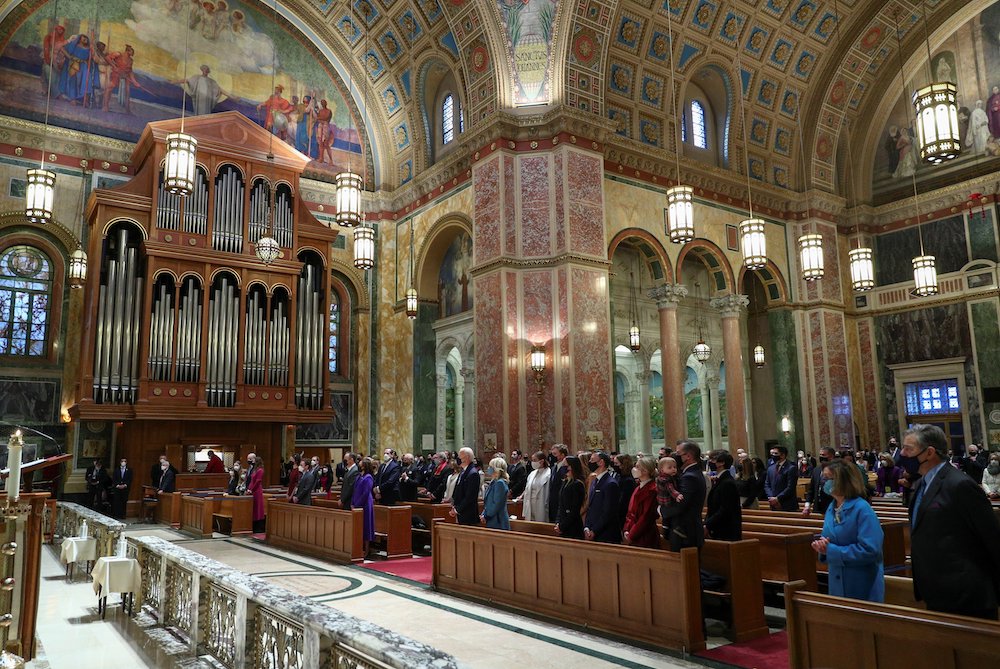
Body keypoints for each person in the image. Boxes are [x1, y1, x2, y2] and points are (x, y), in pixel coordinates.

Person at [904, 424, 1000, 620]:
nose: (903, 455)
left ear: (929, 452)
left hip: (966, 594)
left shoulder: (960, 484)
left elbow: (991, 538)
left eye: (909, 449)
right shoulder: (921, 484)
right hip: (937, 588)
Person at [811, 460, 885, 602]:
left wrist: (831, 551)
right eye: (823, 478)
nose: (823, 482)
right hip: (837, 582)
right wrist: (822, 547)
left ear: (841, 481)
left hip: (861, 583)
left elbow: (870, 550)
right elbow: (830, 538)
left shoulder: (862, 509)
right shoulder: (832, 508)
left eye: (827, 479)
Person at [662, 441, 708, 551]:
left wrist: (661, 510)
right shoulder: (690, 473)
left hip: (685, 531)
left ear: (688, 456)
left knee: (687, 566)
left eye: (678, 453)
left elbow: (681, 505)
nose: (675, 457)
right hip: (686, 530)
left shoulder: (690, 476)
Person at [622, 456, 659, 548]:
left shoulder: (652, 490)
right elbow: (630, 512)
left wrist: (632, 534)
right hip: (633, 532)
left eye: (637, 467)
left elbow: (646, 517)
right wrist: (626, 529)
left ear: (645, 471)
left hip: (645, 536)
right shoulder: (638, 488)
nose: (634, 469)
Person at [583, 452, 621, 543]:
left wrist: (594, 530)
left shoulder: (610, 483)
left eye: (592, 460)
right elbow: (590, 507)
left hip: (605, 534)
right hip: (592, 531)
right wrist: (587, 527)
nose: (589, 463)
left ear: (601, 462)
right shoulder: (594, 481)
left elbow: (608, 512)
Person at [705, 449, 741, 541]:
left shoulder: (727, 482)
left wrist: (707, 524)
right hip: (718, 528)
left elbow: (725, 508)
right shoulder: (720, 479)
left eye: (712, 460)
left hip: (726, 530)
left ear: (721, 463)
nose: (710, 462)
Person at [554, 456, 586, 540]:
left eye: (565, 465)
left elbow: (575, 510)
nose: (563, 467)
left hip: (573, 526)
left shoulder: (577, 484)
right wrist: (558, 522)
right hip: (563, 523)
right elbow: (561, 505)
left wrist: (562, 526)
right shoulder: (565, 482)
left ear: (572, 466)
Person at [449, 447, 480, 526]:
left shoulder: (473, 473)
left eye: (460, 456)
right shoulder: (463, 471)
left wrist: (457, 510)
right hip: (461, 513)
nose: (458, 459)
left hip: (468, 515)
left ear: (466, 457)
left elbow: (470, 496)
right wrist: (454, 503)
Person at [352, 457, 376, 557]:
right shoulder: (358, 476)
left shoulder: (368, 477)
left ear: (364, 466)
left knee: (366, 526)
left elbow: (366, 493)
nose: (359, 465)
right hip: (357, 503)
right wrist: (353, 503)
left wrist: (358, 504)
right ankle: (358, 547)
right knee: (358, 526)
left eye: (360, 463)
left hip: (365, 504)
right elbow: (355, 490)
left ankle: (366, 550)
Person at [517, 451, 550, 522]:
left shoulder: (548, 473)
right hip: (530, 502)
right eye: (532, 460)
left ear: (541, 461)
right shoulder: (532, 473)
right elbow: (527, 487)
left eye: (535, 460)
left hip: (541, 503)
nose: (532, 462)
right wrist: (521, 495)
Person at [803, 447, 836, 516]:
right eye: (820, 455)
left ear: (831, 456)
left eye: (823, 455)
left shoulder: (838, 470)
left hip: (833, 506)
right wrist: (807, 505)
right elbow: (811, 489)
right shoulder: (816, 470)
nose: (821, 457)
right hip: (817, 507)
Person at [765, 445, 798, 511]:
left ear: (783, 455)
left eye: (776, 453)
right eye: (772, 453)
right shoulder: (770, 468)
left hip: (787, 504)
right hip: (773, 503)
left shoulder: (791, 468)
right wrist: (771, 497)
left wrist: (777, 498)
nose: (773, 455)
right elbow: (767, 484)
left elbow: (790, 487)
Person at [481, 457, 510, 530]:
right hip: (492, 519)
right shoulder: (493, 482)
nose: (488, 468)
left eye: (490, 467)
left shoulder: (500, 483)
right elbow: (488, 502)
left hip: (498, 520)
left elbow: (496, 504)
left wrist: (486, 515)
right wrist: (484, 514)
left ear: (496, 469)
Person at [613, 453, 636, 532]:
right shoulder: (619, 477)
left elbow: (624, 501)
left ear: (623, 465)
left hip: (623, 515)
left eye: (616, 463)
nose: (614, 466)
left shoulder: (628, 480)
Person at [547, 444, 569, 522]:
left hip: (562, 502)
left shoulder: (567, 468)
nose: (552, 456)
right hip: (552, 501)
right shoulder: (553, 468)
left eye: (555, 454)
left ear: (562, 455)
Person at [245, 453, 265, 533]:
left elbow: (257, 481)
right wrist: (248, 489)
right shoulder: (255, 470)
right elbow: (251, 481)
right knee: (253, 508)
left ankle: (259, 527)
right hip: (252, 490)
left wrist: (252, 490)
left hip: (257, 491)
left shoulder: (260, 470)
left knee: (258, 508)